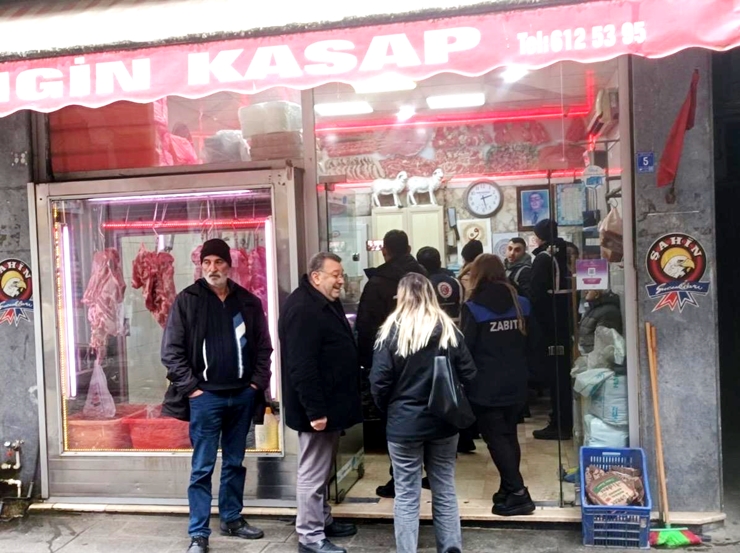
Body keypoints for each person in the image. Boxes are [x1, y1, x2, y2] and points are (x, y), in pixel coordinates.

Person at [161, 238, 273, 553]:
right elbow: (171, 352)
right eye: (207, 262)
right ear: (201, 266)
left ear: (229, 265)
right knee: (202, 467)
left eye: (219, 262)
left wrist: (255, 385)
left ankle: (232, 518)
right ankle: (199, 532)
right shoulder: (188, 300)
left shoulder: (247, 302)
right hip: (206, 398)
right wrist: (193, 390)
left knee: (235, 462)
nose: (213, 268)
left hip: (242, 396)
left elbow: (264, 348)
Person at [370, 273, 476, 553]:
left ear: (401, 297)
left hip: (404, 424)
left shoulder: (390, 332)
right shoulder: (448, 329)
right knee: (444, 486)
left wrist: (392, 410)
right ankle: (451, 548)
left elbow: (379, 383)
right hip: (444, 422)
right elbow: (469, 373)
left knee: (406, 493)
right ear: (432, 295)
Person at [280, 252, 362, 553]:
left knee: (323, 469)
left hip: (331, 406)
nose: (341, 280)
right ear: (316, 277)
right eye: (335, 274)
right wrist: (315, 411)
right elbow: (301, 366)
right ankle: (310, 536)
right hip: (317, 410)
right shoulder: (303, 308)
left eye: (341, 274)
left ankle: (323, 520)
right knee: (313, 473)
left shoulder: (323, 301)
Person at [460, 254, 537, 516]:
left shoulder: (473, 308)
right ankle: (507, 488)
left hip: (486, 384)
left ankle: (518, 493)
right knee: (509, 435)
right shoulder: (521, 303)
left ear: (477, 274)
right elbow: (533, 342)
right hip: (517, 380)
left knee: (495, 438)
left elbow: (466, 348)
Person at [356, 229, 427, 498]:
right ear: (409, 248)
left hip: (391, 360)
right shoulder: (423, 277)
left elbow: (365, 327)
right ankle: (425, 470)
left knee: (394, 418)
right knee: (425, 412)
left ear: (384, 250)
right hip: (424, 356)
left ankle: (399, 476)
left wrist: (366, 363)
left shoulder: (378, 283)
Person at [529, 219, 574, 441]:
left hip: (550, 323)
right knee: (563, 373)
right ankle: (564, 420)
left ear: (539, 236)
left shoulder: (544, 258)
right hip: (567, 319)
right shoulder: (568, 252)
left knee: (556, 376)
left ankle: (559, 423)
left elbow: (536, 295)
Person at [417, 246, 463, 323]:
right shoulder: (455, 281)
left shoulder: (422, 284)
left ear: (420, 266)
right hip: (455, 324)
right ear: (440, 262)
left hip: (431, 324)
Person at [579, 290, 623, 355]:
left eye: (589, 289)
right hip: (592, 355)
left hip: (600, 357)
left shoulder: (607, 311)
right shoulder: (594, 309)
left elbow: (606, 345)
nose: (585, 292)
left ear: (597, 293)